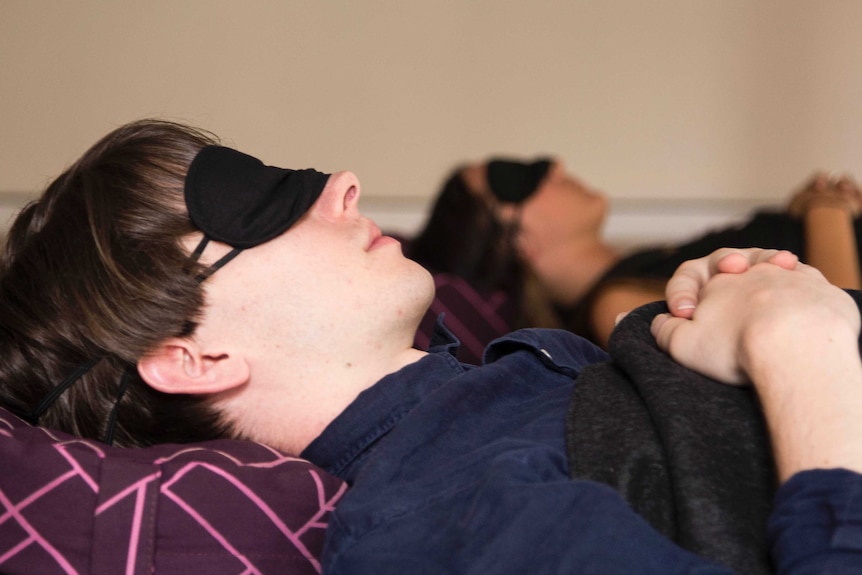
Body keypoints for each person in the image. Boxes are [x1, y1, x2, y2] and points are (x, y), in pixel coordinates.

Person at [1, 119, 860, 573]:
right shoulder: (428, 521)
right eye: (256, 206)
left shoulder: (512, 384)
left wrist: (713, 321)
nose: (340, 186)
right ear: (194, 356)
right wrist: (803, 355)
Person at [406, 158, 862, 358]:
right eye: (519, 176)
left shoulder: (656, 262)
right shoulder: (616, 307)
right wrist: (828, 212)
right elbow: (837, 336)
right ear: (515, 239)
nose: (557, 166)